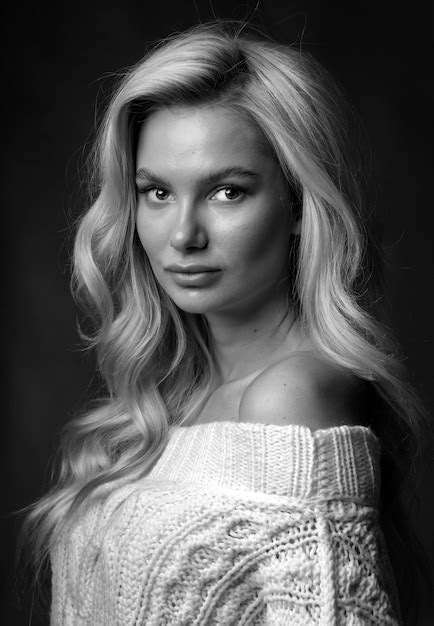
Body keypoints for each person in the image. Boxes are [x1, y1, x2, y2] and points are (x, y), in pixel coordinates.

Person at [22, 21, 432, 625]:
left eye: (227, 193)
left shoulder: (293, 398)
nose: (184, 235)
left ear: (297, 204)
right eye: (157, 192)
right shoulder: (167, 400)